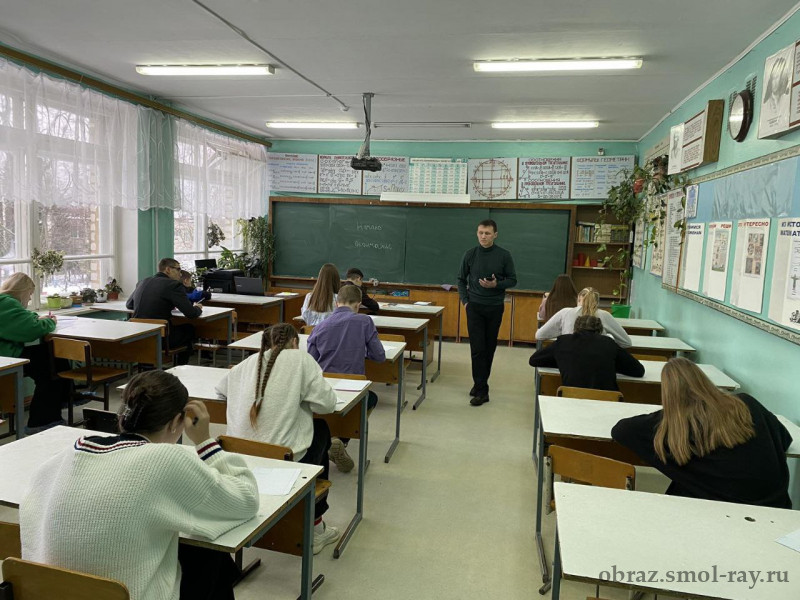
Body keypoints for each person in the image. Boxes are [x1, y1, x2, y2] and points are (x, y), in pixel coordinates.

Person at [20, 370, 259, 600]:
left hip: (50, 591)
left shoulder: (72, 452)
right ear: (177, 421)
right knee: (210, 553)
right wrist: (205, 442)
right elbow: (246, 500)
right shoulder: (165, 459)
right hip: (121, 593)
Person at [215, 323, 341, 554]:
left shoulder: (246, 364)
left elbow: (220, 388)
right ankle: (316, 528)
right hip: (283, 463)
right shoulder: (301, 360)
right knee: (321, 429)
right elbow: (328, 404)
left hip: (239, 459)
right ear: (295, 342)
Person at [611, 357, 792, 508]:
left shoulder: (673, 428)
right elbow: (784, 439)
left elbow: (620, 430)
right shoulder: (746, 404)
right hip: (776, 507)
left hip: (714, 512)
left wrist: (669, 412)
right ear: (703, 380)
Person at [307, 284, 385, 472]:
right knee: (371, 398)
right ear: (358, 305)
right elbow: (379, 357)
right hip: (353, 388)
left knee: (330, 406)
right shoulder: (365, 322)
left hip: (324, 388)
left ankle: (332, 438)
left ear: (336, 302)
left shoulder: (319, 327)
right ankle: (343, 436)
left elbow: (310, 363)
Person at [0, 272, 72, 433]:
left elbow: (22, 319)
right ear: (22, 291)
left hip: (5, 355)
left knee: (51, 356)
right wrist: (50, 321)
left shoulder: (5, 302)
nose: (30, 299)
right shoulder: (6, 303)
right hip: (7, 359)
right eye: (30, 294)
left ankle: (64, 398)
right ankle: (42, 421)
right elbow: (32, 330)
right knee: (51, 367)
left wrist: (36, 317)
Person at [457, 219, 517, 406]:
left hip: (494, 307)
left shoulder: (504, 256)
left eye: (488, 233)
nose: (484, 236)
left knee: (489, 348)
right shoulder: (470, 254)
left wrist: (496, 284)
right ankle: (482, 390)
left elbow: (513, 280)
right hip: (474, 307)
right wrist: (465, 302)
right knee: (477, 349)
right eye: (481, 232)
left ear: (495, 235)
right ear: (477, 233)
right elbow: (460, 279)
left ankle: (480, 382)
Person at [528, 315, 644, 391]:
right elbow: (638, 370)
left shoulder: (563, 341)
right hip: (607, 401)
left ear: (575, 328)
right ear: (599, 330)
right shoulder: (609, 343)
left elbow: (534, 360)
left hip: (571, 399)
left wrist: (563, 361)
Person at [126, 258, 203, 365]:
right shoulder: (173, 285)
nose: (180, 274)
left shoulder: (143, 282)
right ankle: (181, 368)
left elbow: (129, 304)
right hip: (162, 338)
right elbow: (191, 313)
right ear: (168, 269)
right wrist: (198, 308)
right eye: (178, 270)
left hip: (140, 337)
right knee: (189, 329)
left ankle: (146, 365)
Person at [535, 286, 631, 347]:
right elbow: (626, 342)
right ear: (597, 303)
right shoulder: (604, 315)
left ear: (579, 299)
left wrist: (561, 331)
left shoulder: (565, 312)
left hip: (568, 360)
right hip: (596, 363)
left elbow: (539, 335)